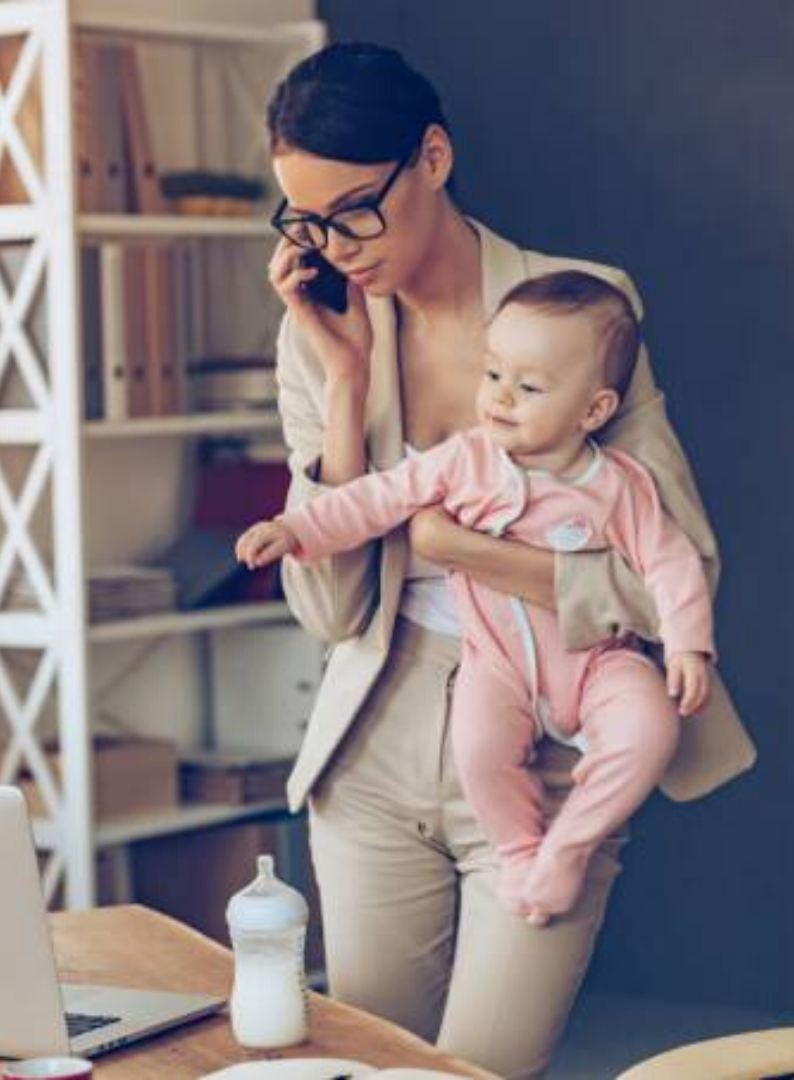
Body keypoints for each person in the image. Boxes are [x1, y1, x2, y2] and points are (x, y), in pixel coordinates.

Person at [262, 41, 756, 1079]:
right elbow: (332, 612)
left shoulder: (579, 306)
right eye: (304, 221)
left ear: (432, 157)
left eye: (355, 209)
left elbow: (677, 574)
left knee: (481, 1072)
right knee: (369, 1068)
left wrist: (465, 552)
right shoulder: (318, 333)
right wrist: (344, 388)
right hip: (377, 746)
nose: (335, 246)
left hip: (551, 745)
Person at [238, 269, 714, 927]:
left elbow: (671, 562)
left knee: (650, 727)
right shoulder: (464, 459)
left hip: (599, 661)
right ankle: (521, 851)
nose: (500, 398)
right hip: (496, 667)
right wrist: (294, 529)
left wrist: (689, 645)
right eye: (492, 375)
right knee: (478, 746)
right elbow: (377, 499)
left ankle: (568, 844)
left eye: (529, 387)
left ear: (595, 410)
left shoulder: (618, 484)